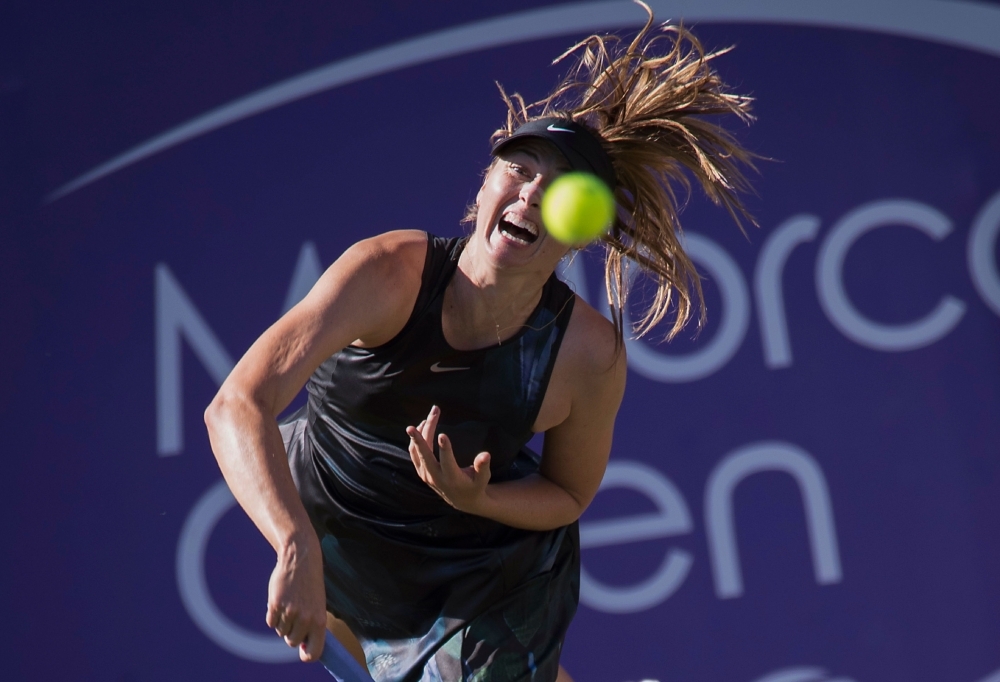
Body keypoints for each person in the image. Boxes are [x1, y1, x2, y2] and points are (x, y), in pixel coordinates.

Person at [205, 6, 755, 681]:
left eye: (556, 190)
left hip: (480, 563)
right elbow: (235, 405)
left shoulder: (585, 356)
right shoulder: (386, 273)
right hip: (335, 515)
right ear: (485, 183)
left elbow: (568, 496)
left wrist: (479, 499)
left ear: (578, 231)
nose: (531, 193)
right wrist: (295, 545)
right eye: (520, 171)